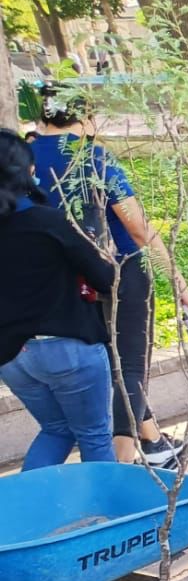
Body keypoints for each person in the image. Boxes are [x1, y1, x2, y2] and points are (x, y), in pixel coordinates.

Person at [31, 86, 188, 465]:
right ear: (86, 119)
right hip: (120, 269)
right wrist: (178, 280)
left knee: (111, 358)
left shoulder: (25, 157)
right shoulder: (92, 155)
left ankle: (150, 439)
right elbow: (136, 227)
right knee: (130, 363)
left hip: (66, 279)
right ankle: (123, 461)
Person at [0, 129, 118, 469]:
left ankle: (27, 512)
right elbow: (106, 280)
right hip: (67, 348)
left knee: (55, 430)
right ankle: (108, 515)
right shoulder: (48, 222)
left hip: (13, 358)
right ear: (28, 171)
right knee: (94, 435)